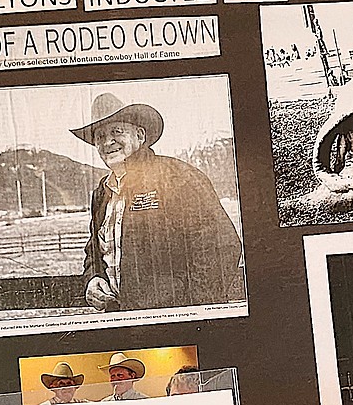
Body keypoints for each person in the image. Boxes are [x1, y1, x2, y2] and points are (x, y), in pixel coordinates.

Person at [72, 93, 244, 313]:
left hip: (173, 321)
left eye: (116, 132)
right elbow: (95, 250)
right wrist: (92, 277)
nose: (107, 142)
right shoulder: (102, 192)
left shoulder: (177, 177)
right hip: (120, 318)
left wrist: (192, 312)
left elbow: (221, 247)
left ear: (140, 136)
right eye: (100, 136)